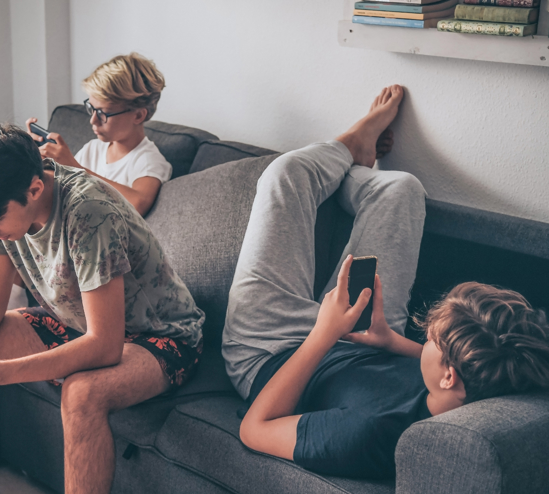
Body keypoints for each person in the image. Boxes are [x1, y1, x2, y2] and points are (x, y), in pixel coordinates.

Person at [224, 85, 549, 478]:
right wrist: (390, 341)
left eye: (432, 338)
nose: (425, 335)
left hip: (273, 353)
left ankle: (346, 148)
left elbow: (253, 430)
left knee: (285, 174)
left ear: (449, 375)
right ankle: (358, 158)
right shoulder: (476, 380)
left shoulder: (367, 434)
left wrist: (323, 336)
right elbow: (456, 365)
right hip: (366, 338)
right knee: (402, 188)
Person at [0, 122, 204, 494]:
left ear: (35, 189)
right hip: (75, 322)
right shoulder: (4, 205)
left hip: (161, 337)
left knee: (82, 393)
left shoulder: (88, 211)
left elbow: (105, 344)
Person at [26, 52, 172, 216]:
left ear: (138, 116)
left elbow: (137, 204)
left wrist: (76, 167)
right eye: (91, 109)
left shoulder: (148, 160)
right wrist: (34, 157)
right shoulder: (93, 148)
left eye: (103, 113)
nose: (93, 120)